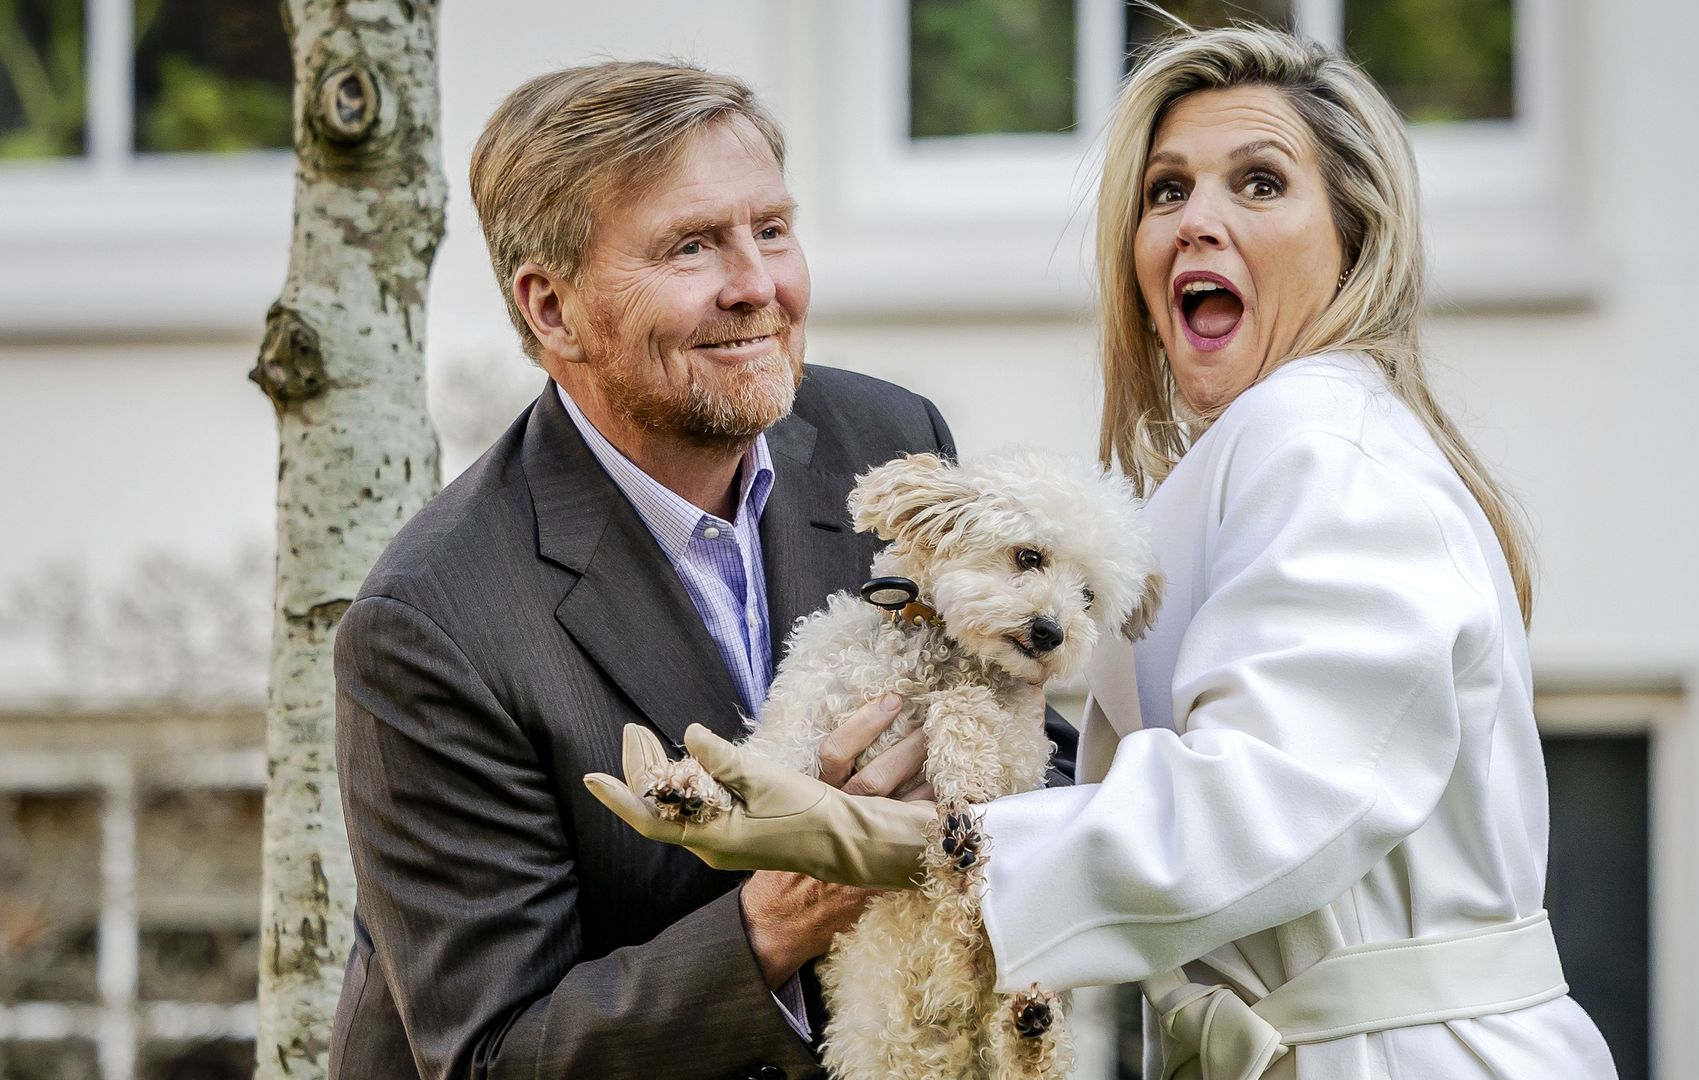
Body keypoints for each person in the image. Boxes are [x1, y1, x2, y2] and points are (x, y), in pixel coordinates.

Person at [588, 26, 1618, 1079]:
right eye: (1166, 191)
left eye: (1260, 184)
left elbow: (1271, 804)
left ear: (1353, 238)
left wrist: (906, 845)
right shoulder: (1236, 461)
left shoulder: (1322, 439)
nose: (1197, 221)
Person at [326, 61, 1078, 1080]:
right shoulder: (433, 622)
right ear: (551, 309)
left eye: (771, 229)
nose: (758, 286)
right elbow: (497, 1058)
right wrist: (796, 902)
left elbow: (1039, 745)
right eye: (691, 246)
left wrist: (962, 818)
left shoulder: (889, 437)